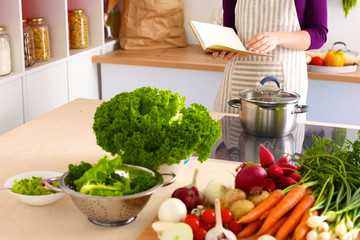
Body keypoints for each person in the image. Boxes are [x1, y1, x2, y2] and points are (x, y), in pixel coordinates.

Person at [213, 0, 328, 113]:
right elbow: (230, 31)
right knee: (230, 130)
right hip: (239, 82)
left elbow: (319, 34)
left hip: (286, 86)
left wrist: (278, 38)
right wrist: (224, 46)